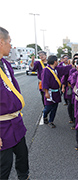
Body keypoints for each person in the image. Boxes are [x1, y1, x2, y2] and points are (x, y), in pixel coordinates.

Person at [0, 26, 29, 180]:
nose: (11, 45)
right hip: (1, 125)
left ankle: (24, 177)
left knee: (22, 156)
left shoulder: (6, 64)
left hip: (16, 120)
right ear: (0, 42)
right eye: (9, 42)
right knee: (4, 165)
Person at [41, 55, 72, 128]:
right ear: (55, 62)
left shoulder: (56, 69)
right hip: (50, 92)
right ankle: (45, 115)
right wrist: (46, 92)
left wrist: (71, 66)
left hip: (56, 92)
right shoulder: (46, 70)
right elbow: (44, 82)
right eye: (57, 61)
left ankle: (51, 121)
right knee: (48, 107)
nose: (58, 62)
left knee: (54, 107)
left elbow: (64, 69)